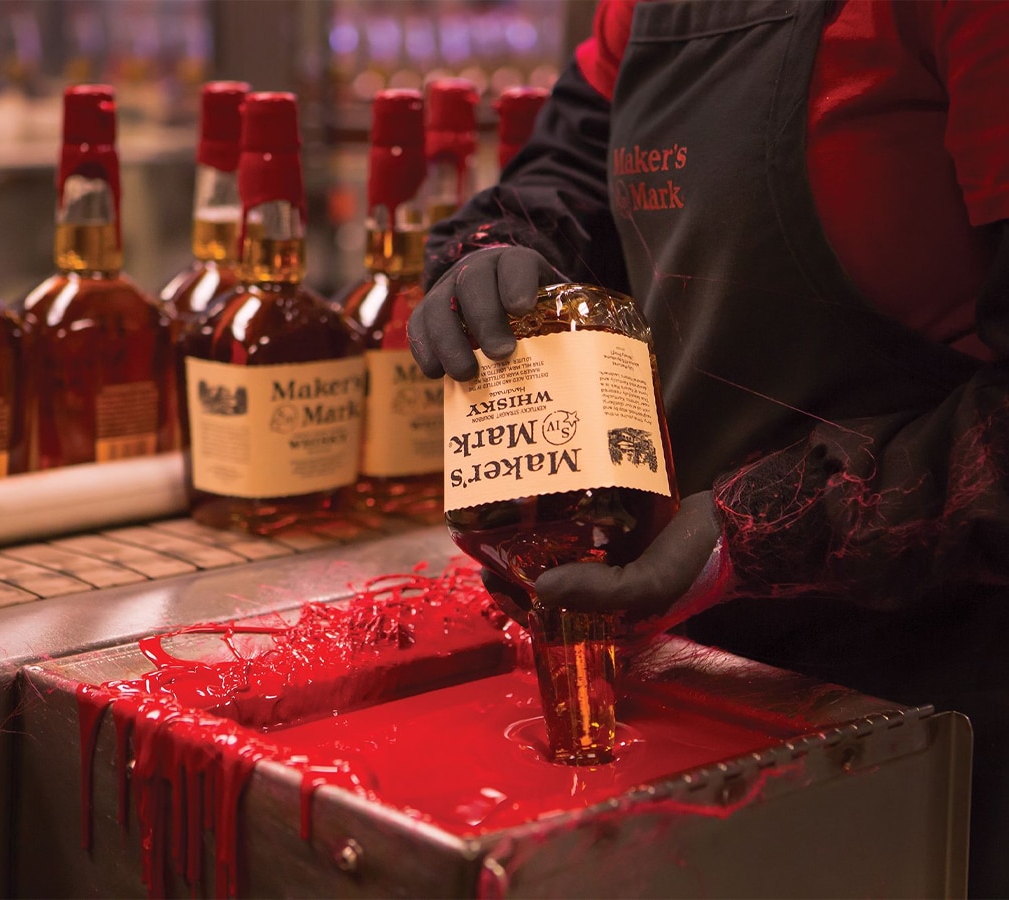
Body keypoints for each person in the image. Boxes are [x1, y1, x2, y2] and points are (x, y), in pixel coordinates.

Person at [406, 1, 1009, 894]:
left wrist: (750, 530)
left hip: (941, 688)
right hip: (700, 664)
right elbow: (567, 176)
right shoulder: (647, 12)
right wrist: (495, 253)